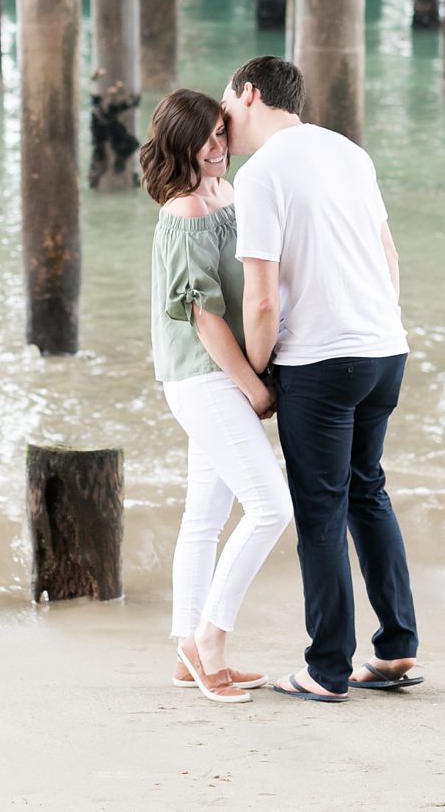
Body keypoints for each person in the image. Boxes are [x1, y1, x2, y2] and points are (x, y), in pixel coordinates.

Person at [221, 56, 422, 702]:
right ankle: (395, 647)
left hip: (321, 363)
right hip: (385, 348)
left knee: (321, 512)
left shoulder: (260, 175)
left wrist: (256, 374)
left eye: (228, 104)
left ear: (249, 93)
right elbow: (389, 255)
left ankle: (326, 667)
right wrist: (375, 327)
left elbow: (259, 300)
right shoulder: (349, 153)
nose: (224, 120)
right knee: (369, 491)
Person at [138, 89, 293, 704]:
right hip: (202, 378)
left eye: (221, 134)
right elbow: (204, 318)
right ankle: (207, 645)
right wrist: (254, 387)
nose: (217, 148)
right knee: (271, 508)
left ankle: (185, 650)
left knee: (203, 520)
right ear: (180, 145)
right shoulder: (186, 211)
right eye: (204, 140)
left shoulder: (225, 194)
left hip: (214, 378)